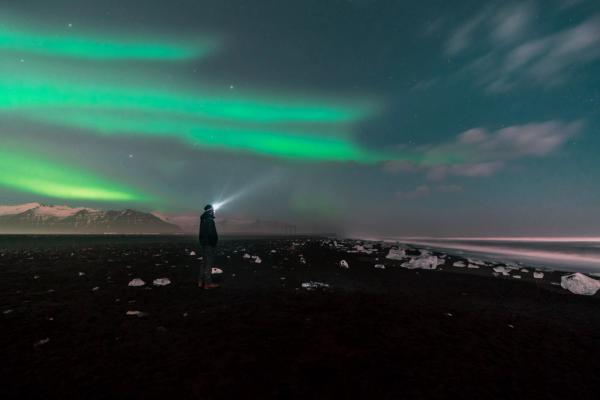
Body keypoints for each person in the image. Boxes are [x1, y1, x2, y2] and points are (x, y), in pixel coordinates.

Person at [198, 204, 219, 289]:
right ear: (210, 211)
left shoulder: (203, 220)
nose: (214, 211)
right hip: (209, 245)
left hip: (204, 244)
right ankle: (207, 284)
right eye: (213, 210)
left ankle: (200, 281)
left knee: (204, 263)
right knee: (208, 264)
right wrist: (214, 242)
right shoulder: (210, 220)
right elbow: (212, 234)